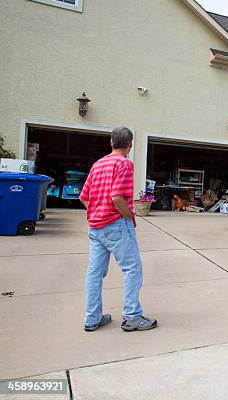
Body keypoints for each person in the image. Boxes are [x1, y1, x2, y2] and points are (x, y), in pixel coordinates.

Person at [79, 127, 157, 332]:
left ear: (111, 143)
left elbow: (83, 196)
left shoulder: (97, 164)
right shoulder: (124, 163)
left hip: (95, 226)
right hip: (116, 225)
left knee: (95, 273)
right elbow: (116, 197)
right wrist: (128, 216)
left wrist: (98, 211)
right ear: (129, 144)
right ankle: (132, 316)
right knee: (133, 269)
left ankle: (92, 318)